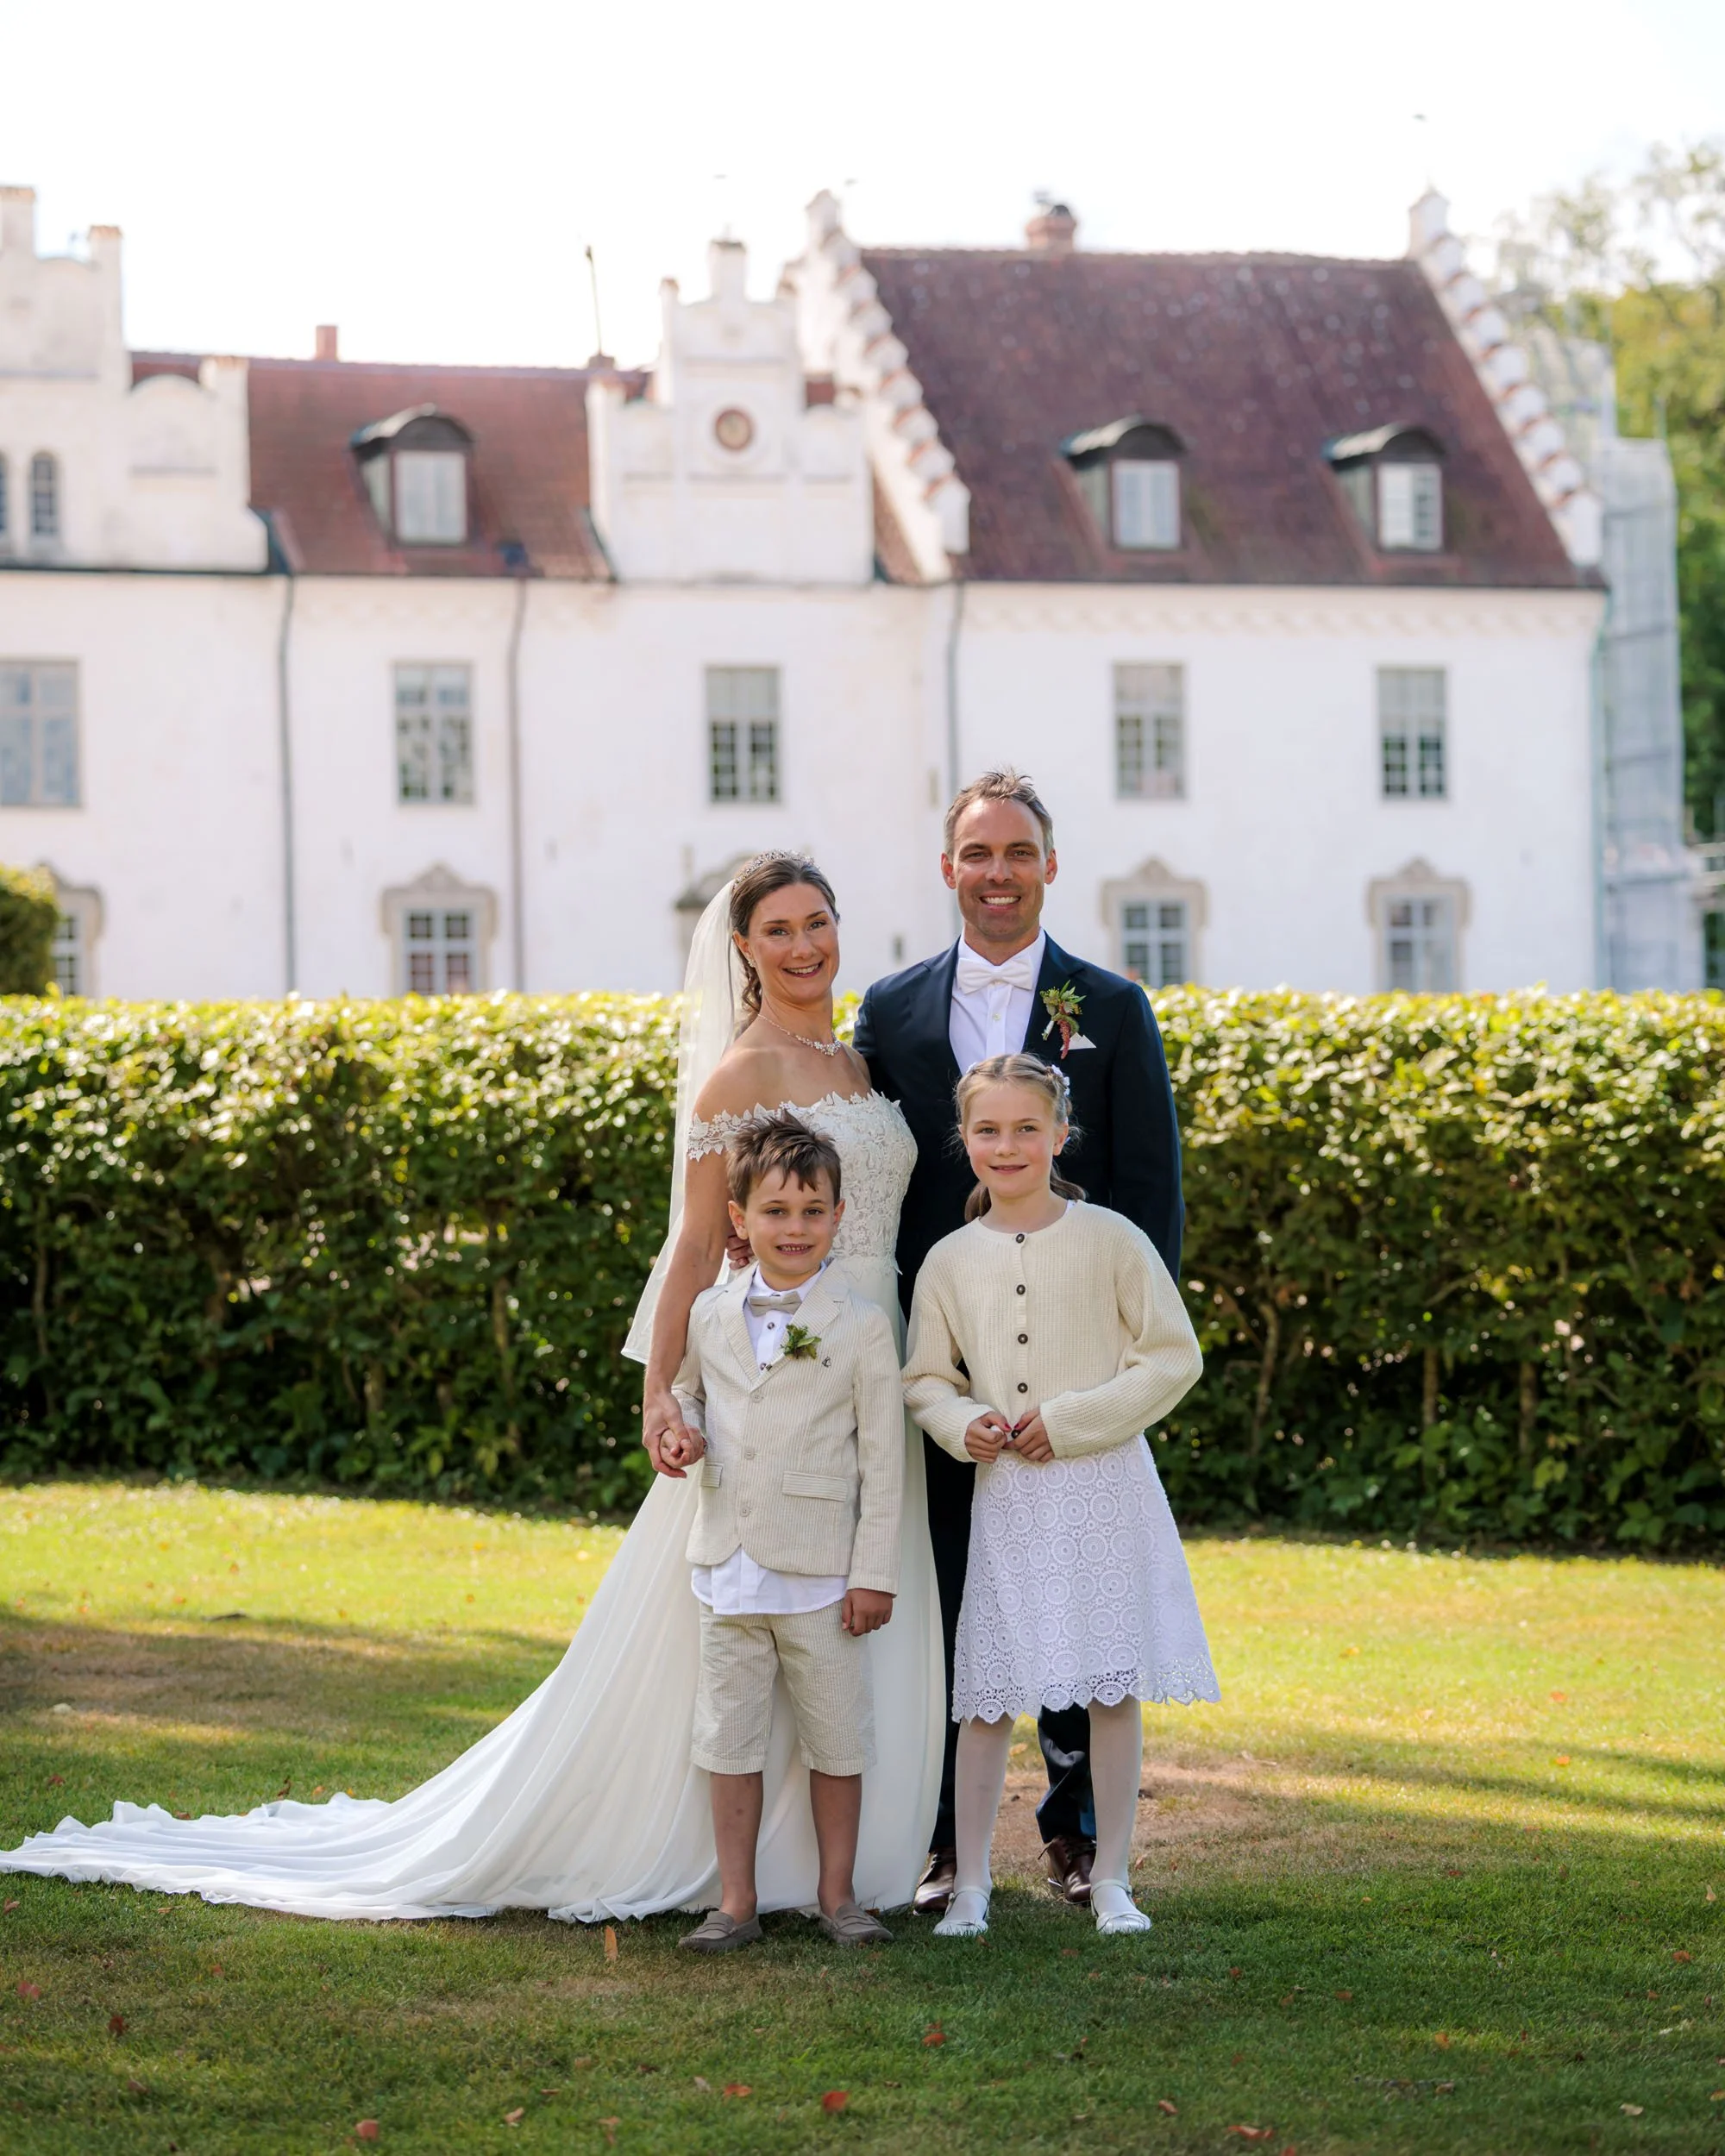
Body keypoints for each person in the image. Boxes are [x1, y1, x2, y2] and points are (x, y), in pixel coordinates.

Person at [1, 853, 941, 1922]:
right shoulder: (742, 1074)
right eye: (778, 929)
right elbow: (691, 1248)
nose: (805, 944)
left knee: (850, 1597)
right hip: (769, 1383)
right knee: (724, 1628)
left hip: (870, 1350)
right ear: (742, 949)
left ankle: (846, 1874)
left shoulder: (858, 1066)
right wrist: (662, 1396)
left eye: (818, 921)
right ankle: (735, 1872)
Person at [854, 768, 1183, 1915]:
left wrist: (1120, 1379)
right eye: (977, 854)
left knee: (1083, 1604)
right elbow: (871, 1182)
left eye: (1019, 853)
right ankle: (951, 1845)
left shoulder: (1113, 1006)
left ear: (1050, 865)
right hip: (947, 1357)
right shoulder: (890, 1010)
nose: (997, 874)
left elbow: (1151, 1196)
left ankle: (1083, 1836)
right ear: (948, 868)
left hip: (1082, 1372)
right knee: (960, 1596)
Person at [901, 1055, 1217, 1939]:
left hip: (1104, 1485)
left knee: (1110, 1684)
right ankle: (969, 1887)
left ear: (1059, 1133)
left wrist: (1074, 1419)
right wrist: (962, 1422)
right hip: (1007, 1494)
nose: (1006, 1146)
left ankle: (1110, 1876)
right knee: (987, 1695)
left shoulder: (1112, 1238)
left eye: (1025, 1128)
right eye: (987, 1129)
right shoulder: (947, 1258)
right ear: (962, 1140)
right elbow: (924, 1376)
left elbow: (1170, 1354)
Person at [666, 1112, 903, 1953]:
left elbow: (883, 1460)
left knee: (836, 1736)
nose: (793, 1228)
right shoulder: (708, 1313)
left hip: (822, 1573)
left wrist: (872, 1571)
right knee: (728, 1738)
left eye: (810, 1211)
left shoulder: (861, 1325)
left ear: (837, 1216)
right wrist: (679, 1428)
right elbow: (689, 1394)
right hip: (724, 1562)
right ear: (739, 1219)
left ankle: (838, 1896)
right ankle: (735, 1901)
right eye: (774, 1211)